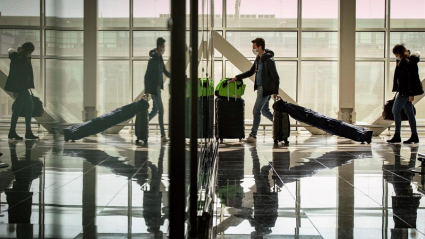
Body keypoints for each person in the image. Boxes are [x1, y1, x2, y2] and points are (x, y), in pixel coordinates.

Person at [230, 38, 280, 143]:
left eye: (254, 47)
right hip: (260, 88)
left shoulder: (269, 60)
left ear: (260, 47)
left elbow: (276, 77)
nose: (253, 49)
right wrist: (237, 77)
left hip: (265, 88)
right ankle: (279, 125)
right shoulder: (258, 59)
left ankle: (253, 135)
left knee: (256, 111)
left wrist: (275, 92)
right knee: (265, 111)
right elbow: (250, 72)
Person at [387, 44, 424, 144]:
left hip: (405, 91)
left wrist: (411, 93)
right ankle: (414, 136)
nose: (396, 56)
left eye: (396, 54)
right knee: (410, 113)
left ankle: (397, 135)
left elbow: (410, 79)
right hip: (404, 91)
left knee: (395, 111)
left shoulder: (407, 62)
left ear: (400, 53)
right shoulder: (403, 61)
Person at [5, 42, 39, 140]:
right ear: (27, 50)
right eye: (30, 51)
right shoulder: (19, 59)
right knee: (28, 107)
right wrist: (16, 90)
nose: (31, 53)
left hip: (22, 88)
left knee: (20, 109)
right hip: (21, 88)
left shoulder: (21, 57)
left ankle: (13, 131)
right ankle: (26, 132)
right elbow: (17, 76)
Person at [145, 37, 171, 142]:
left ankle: (143, 122)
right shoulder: (153, 60)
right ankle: (163, 135)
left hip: (158, 88)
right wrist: (146, 91)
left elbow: (165, 71)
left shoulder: (160, 58)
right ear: (159, 46)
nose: (164, 49)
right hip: (154, 88)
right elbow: (147, 76)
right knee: (161, 110)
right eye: (163, 46)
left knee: (155, 110)